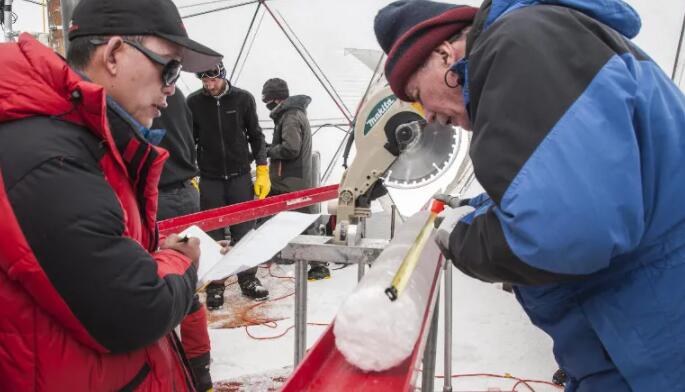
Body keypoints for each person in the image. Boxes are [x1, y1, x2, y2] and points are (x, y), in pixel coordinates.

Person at [374, 0, 685, 391]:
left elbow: (567, 232)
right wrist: (479, 210)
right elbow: (580, 177)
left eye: (418, 95)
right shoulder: (538, 41)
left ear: (443, 55)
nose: (429, 116)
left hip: (653, 345)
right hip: (638, 330)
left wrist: (463, 239)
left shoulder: (520, 44)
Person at [0, 0, 224, 390]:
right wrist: (180, 259)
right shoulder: (48, 157)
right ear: (115, 54)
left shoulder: (81, 138)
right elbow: (135, 308)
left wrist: (150, 256)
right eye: (168, 66)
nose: (172, 86)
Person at [187, 62, 271, 305]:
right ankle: (216, 284)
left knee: (244, 230)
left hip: (240, 176)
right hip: (210, 178)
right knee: (213, 233)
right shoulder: (194, 103)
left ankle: (248, 279)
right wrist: (191, 172)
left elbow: (255, 135)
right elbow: (189, 140)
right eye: (204, 81)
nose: (209, 86)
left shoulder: (243, 99)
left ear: (222, 76)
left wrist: (263, 168)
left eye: (212, 80)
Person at [153, 90, 214, 391]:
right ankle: (201, 375)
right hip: (187, 192)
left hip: (160, 195)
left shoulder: (139, 92)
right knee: (188, 286)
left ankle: (182, 375)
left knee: (160, 286)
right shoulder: (179, 96)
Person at [261, 78, 329, 280]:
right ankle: (298, 259)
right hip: (294, 180)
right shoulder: (293, 114)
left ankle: (319, 266)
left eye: (266, 99)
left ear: (274, 98)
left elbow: (291, 148)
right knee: (298, 221)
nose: (266, 104)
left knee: (303, 223)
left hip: (291, 181)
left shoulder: (290, 116)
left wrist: (268, 150)